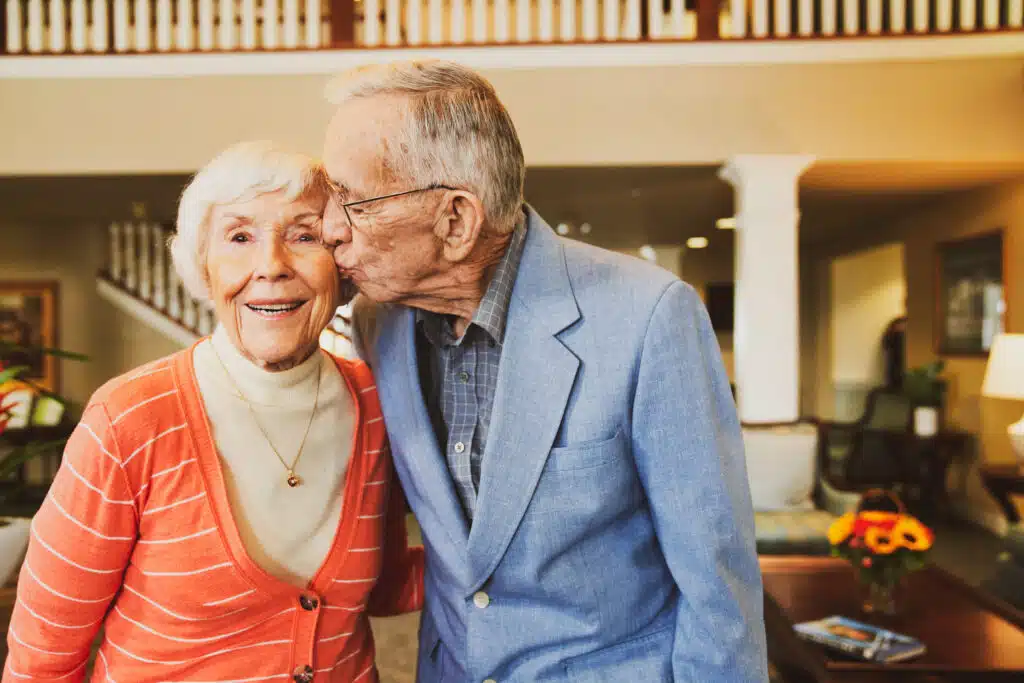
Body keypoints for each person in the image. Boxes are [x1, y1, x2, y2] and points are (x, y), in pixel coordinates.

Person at [321, 60, 768, 682]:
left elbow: (717, 578)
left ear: (456, 221)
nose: (329, 228)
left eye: (354, 202)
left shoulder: (649, 316)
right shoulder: (377, 322)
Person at [3, 141, 422, 682]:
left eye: (305, 235)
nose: (271, 266)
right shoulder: (127, 419)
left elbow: (386, 583)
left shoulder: (375, 402)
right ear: (204, 267)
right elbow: (44, 651)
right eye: (240, 237)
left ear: (342, 264)